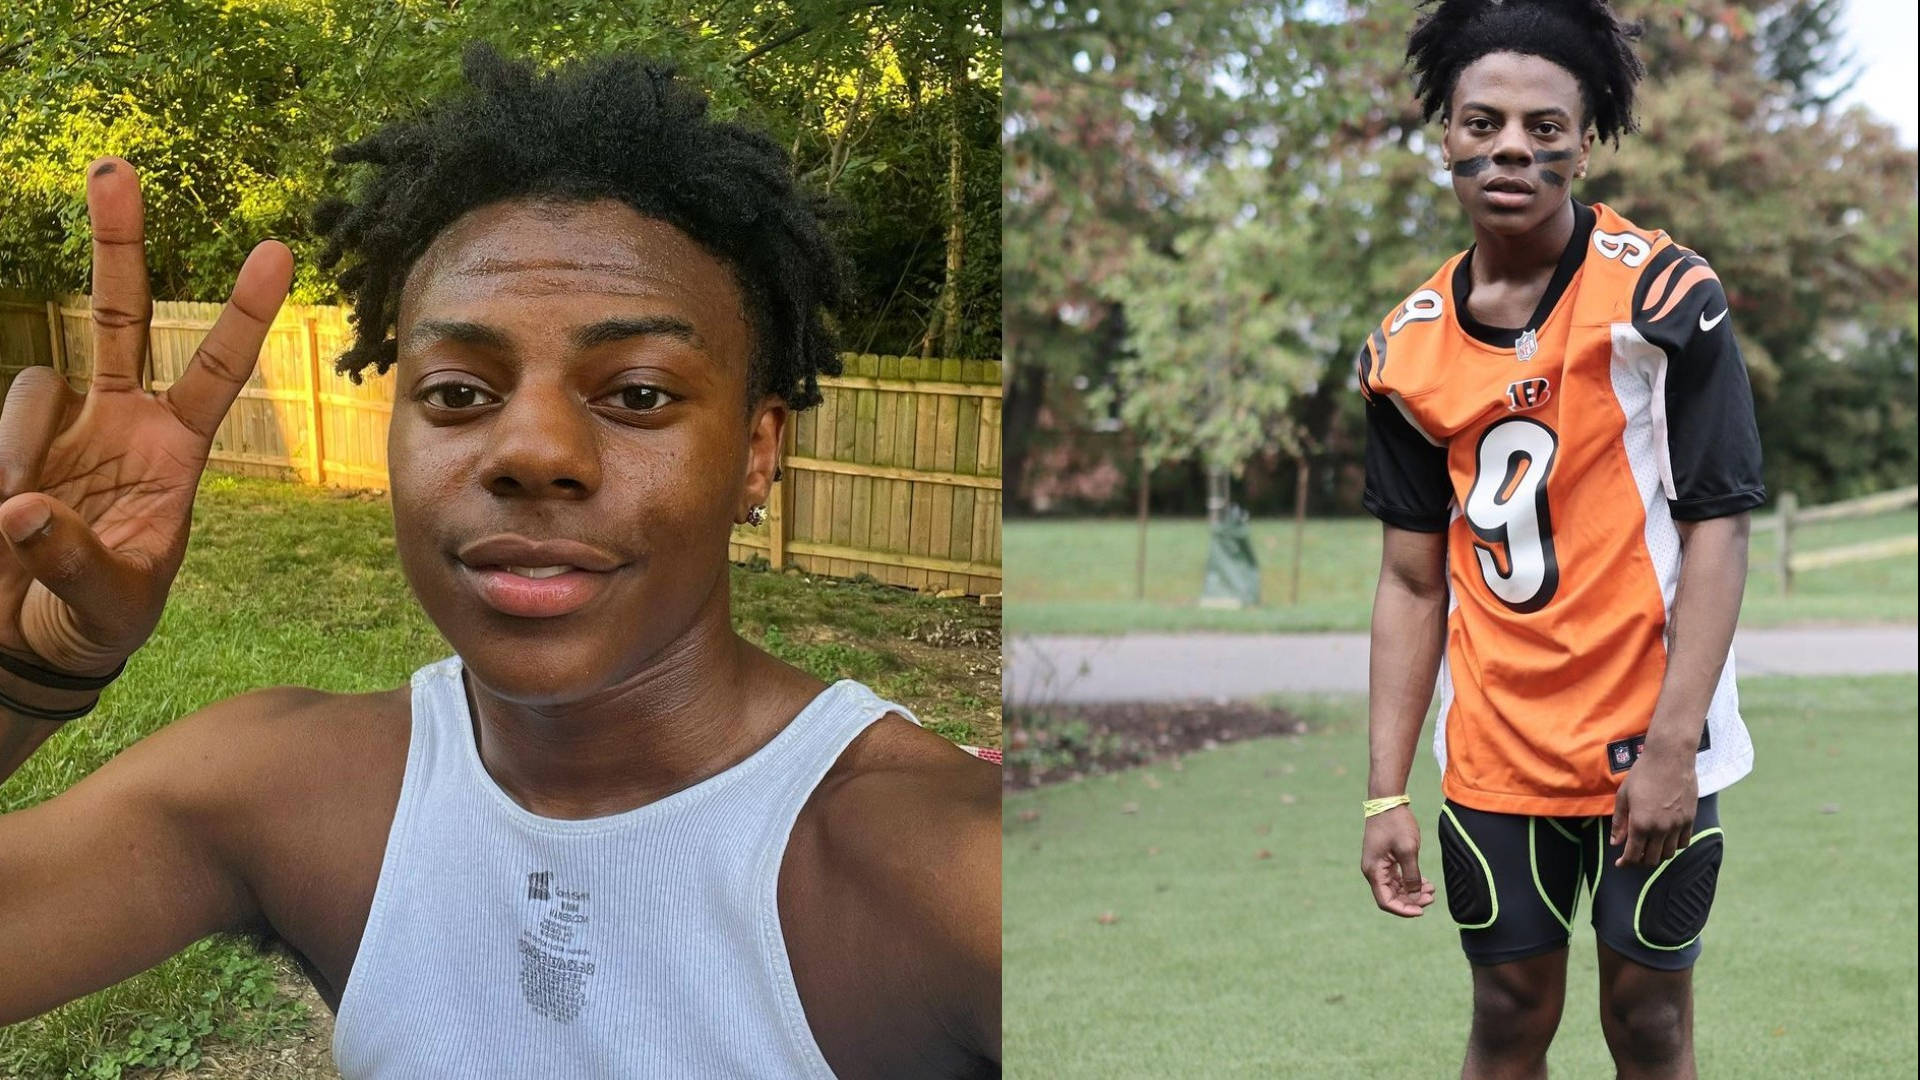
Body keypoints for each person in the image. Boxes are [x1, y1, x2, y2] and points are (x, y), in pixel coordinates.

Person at [0, 46, 1000, 1079]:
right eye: (458, 394)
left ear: (758, 451)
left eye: (641, 394)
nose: (530, 452)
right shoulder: (299, 798)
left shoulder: (954, 875)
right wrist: (24, 672)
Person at [1354, 2, 1763, 1078]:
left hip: (1650, 729)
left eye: (1544, 127)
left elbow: (1719, 525)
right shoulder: (1404, 350)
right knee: (1504, 1019)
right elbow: (1409, 582)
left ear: (1585, 141)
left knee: (1650, 1023)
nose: (1510, 148)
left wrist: (1676, 745)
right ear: (1445, 131)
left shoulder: (1666, 296)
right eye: (1481, 122)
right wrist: (1385, 788)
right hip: (1497, 743)